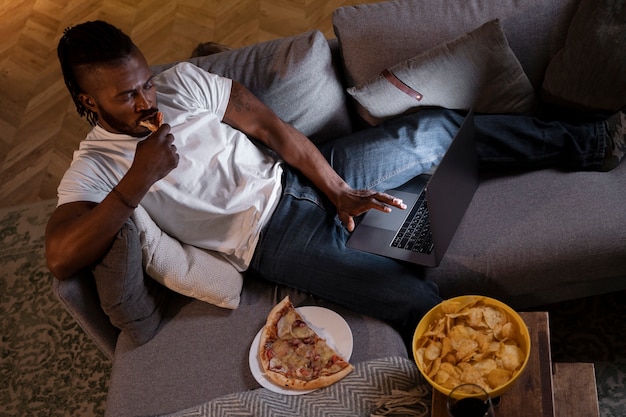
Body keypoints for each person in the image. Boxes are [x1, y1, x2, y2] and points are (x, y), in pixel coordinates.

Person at [46, 20, 625, 337]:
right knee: (409, 296)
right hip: (270, 239)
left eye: (144, 80)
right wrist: (137, 183)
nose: (148, 98)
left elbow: (274, 130)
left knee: (433, 130)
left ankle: (590, 142)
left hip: (303, 175)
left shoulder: (183, 86)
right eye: (127, 95)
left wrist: (339, 190)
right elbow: (59, 255)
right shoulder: (97, 165)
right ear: (87, 102)